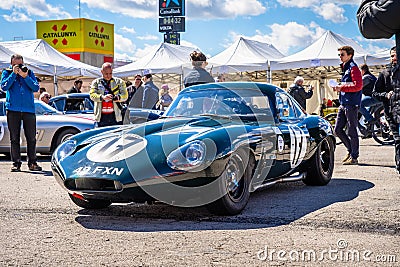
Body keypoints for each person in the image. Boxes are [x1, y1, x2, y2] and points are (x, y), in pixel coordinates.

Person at [0, 54, 42, 171]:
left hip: (29, 109)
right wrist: (13, 74)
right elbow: (4, 87)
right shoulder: (6, 73)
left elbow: (35, 88)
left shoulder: (29, 72)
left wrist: (25, 76)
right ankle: (16, 163)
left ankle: (32, 163)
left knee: (32, 138)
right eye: (15, 65)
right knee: (14, 138)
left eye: (20, 64)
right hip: (13, 109)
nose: (18, 67)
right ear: (11, 64)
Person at [332, 46, 363, 165]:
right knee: (338, 129)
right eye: (339, 55)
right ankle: (351, 151)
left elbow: (358, 86)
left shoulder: (353, 68)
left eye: (342, 54)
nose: (340, 57)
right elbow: (349, 84)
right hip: (344, 103)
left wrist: (341, 87)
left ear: (350, 55)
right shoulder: (346, 67)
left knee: (352, 131)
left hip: (351, 104)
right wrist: (340, 87)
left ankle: (354, 157)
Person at [371, 47, 400, 173]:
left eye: (396, 55)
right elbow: (375, 93)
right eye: (392, 56)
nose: (394, 58)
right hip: (392, 112)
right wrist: (385, 95)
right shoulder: (385, 73)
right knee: (398, 140)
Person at [89, 62, 128, 127]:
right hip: (101, 117)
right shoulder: (96, 82)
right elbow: (92, 95)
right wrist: (102, 97)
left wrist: (118, 98)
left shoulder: (119, 82)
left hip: (115, 116)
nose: (108, 76)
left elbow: (125, 96)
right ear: (101, 72)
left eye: (110, 73)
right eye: (106, 74)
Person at [358, 64, 378, 136]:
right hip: (375, 97)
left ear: (362, 70)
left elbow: (358, 86)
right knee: (366, 112)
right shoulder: (370, 76)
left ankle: (370, 119)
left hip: (374, 98)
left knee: (359, 104)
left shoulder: (366, 77)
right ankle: (368, 130)